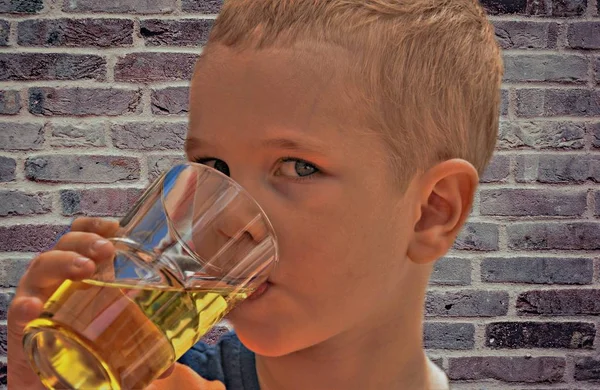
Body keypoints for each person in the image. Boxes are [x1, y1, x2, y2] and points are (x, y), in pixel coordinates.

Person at [7, 1, 503, 389]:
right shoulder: (147, 378)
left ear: (431, 213)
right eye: (213, 167)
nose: (225, 221)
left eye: (297, 167)